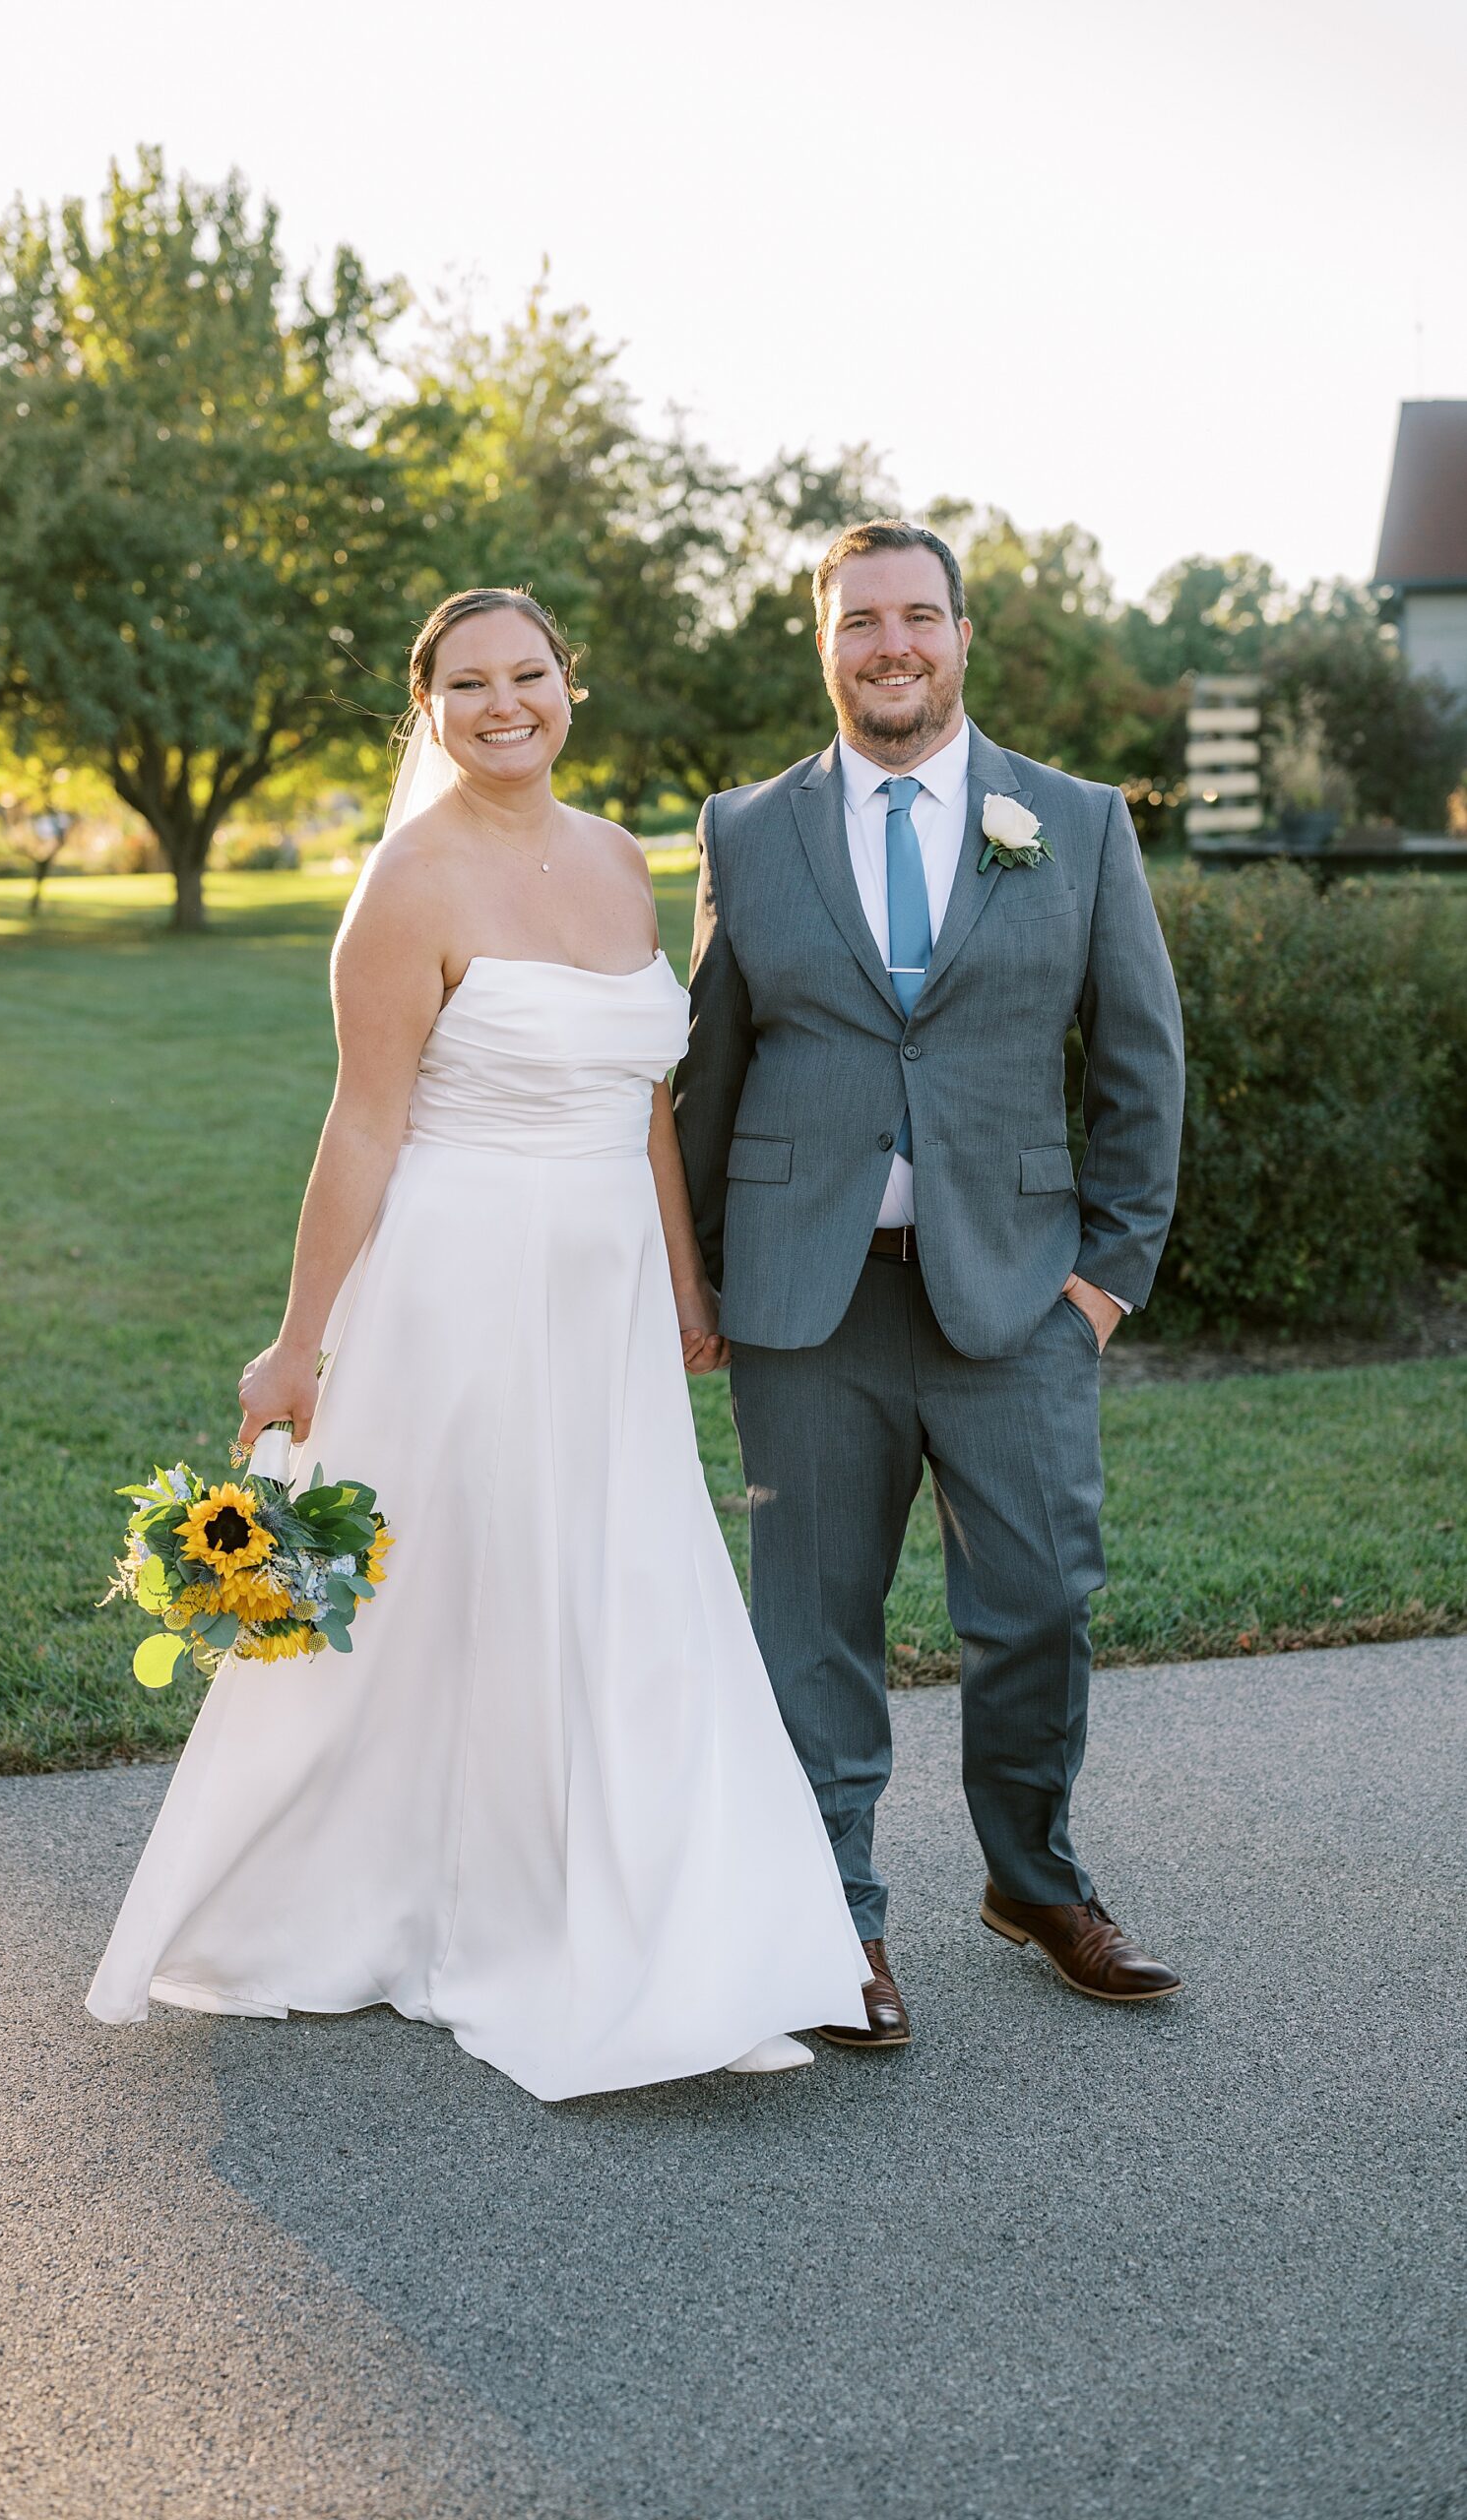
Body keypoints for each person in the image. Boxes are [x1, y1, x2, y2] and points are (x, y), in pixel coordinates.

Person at [86, 587, 869, 2099]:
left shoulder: (618, 858)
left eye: (528, 674)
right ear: (427, 708)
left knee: (624, 1577)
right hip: (464, 1282)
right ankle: (437, 1904)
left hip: (609, 1290)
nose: (504, 703)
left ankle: (648, 1922)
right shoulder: (408, 884)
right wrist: (297, 1343)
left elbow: (647, 1104)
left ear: (570, 685)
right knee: (483, 1585)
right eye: (468, 684)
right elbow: (362, 1129)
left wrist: (688, 1285)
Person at [672, 520, 1187, 2046]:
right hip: (805, 1302)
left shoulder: (1076, 821)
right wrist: (701, 1281)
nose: (890, 643)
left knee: (1039, 1604)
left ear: (963, 636)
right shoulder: (745, 831)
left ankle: (1037, 1881)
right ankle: (836, 1921)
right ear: (823, 644)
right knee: (812, 1625)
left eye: (918, 615)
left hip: (1019, 1297)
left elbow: (1142, 1065)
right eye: (860, 620)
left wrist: (1104, 1283)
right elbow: (707, 1074)